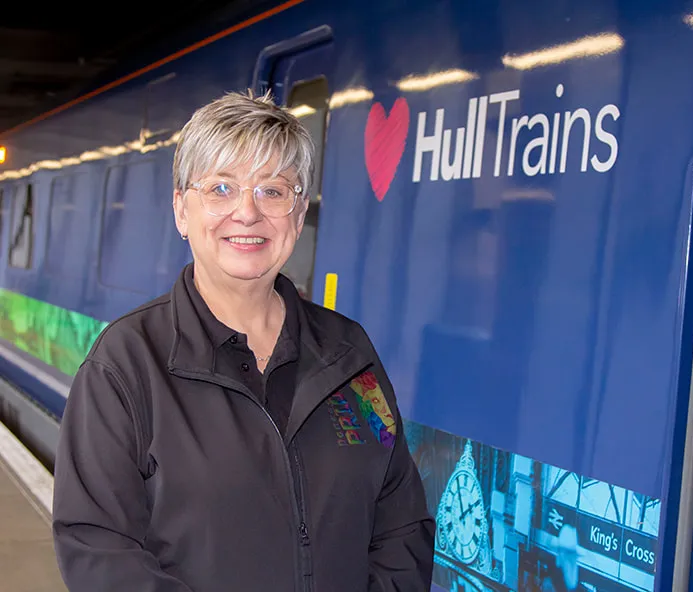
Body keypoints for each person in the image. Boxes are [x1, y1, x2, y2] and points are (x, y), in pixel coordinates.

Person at [52, 89, 436, 591]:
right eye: (220, 189)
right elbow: (98, 548)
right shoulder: (125, 365)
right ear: (181, 211)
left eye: (273, 191)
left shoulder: (348, 354)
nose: (247, 213)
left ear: (298, 216)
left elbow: (400, 517)